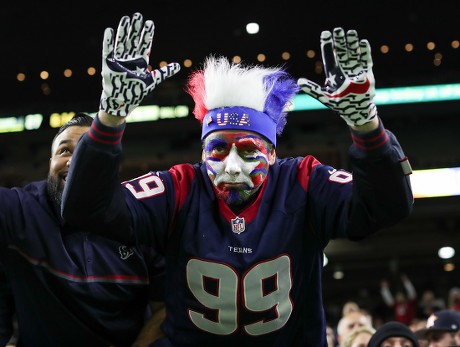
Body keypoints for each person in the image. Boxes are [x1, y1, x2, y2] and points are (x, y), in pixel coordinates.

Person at [61, 12, 414, 346]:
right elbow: (86, 209)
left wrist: (367, 128)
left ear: (273, 154)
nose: (231, 167)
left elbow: (385, 207)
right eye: (217, 150)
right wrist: (109, 118)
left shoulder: (303, 181)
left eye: (248, 151)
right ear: (200, 152)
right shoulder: (180, 187)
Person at [0, 113, 166, 346]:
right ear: (50, 164)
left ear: (113, 166)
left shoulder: (143, 218)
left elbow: (166, 309)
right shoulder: (18, 210)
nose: (76, 160)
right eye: (65, 150)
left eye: (89, 151)